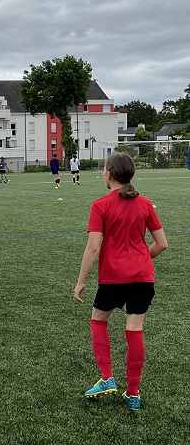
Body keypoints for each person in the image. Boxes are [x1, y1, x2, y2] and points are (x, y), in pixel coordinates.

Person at [74, 152, 168, 410]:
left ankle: (107, 379)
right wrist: (141, 261)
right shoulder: (146, 204)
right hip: (142, 278)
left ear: (108, 173)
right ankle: (133, 393)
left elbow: (93, 247)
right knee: (134, 330)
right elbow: (162, 244)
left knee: (97, 322)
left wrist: (81, 281)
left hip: (114, 278)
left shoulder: (100, 205)